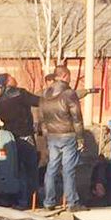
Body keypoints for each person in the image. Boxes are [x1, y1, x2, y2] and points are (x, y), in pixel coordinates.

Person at [39, 65, 87, 212]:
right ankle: (72, 203)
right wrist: (80, 138)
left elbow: (42, 118)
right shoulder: (68, 94)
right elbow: (77, 118)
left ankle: (49, 202)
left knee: (51, 168)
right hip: (68, 135)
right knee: (68, 169)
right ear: (65, 76)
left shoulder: (45, 93)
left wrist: (46, 136)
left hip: (52, 136)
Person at [0, 73, 40, 208]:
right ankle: (31, 200)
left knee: (17, 170)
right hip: (26, 136)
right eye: (12, 77)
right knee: (31, 169)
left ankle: (19, 200)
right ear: (8, 81)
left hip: (11, 140)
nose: (15, 79)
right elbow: (38, 101)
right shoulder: (21, 94)